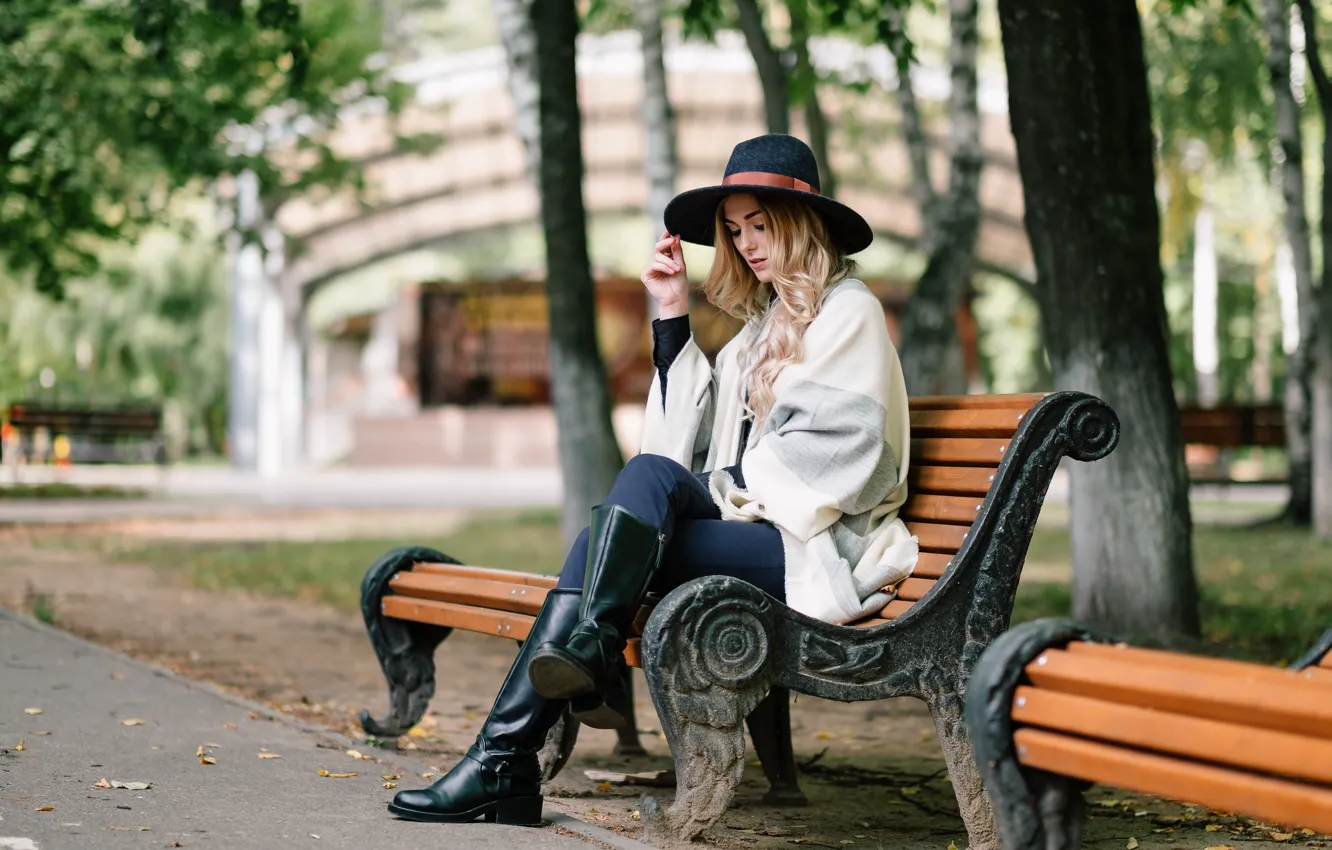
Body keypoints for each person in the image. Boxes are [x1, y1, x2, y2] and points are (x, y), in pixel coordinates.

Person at [387, 133, 917, 826]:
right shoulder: (767, 324)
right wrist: (670, 311)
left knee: (612, 532)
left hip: (815, 545)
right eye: (735, 231)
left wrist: (721, 488)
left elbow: (840, 450)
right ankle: (551, 698)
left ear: (800, 223)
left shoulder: (850, 311)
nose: (747, 244)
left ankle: (515, 745)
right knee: (629, 506)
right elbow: (695, 436)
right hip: (761, 524)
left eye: (760, 225)